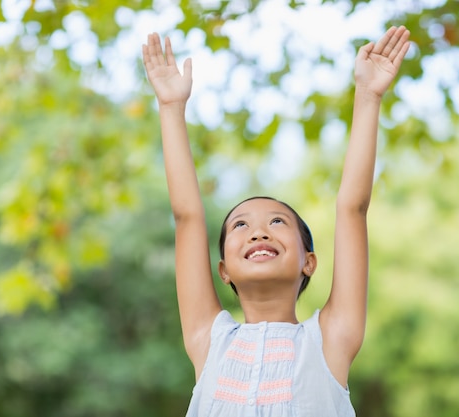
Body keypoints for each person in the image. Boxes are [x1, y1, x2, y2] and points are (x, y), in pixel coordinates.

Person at [142, 25, 411, 417]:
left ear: (309, 260)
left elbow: (352, 207)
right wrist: (170, 108)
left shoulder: (330, 340)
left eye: (277, 222)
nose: (258, 231)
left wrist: (368, 96)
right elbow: (187, 217)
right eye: (240, 226)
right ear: (223, 271)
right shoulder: (208, 340)